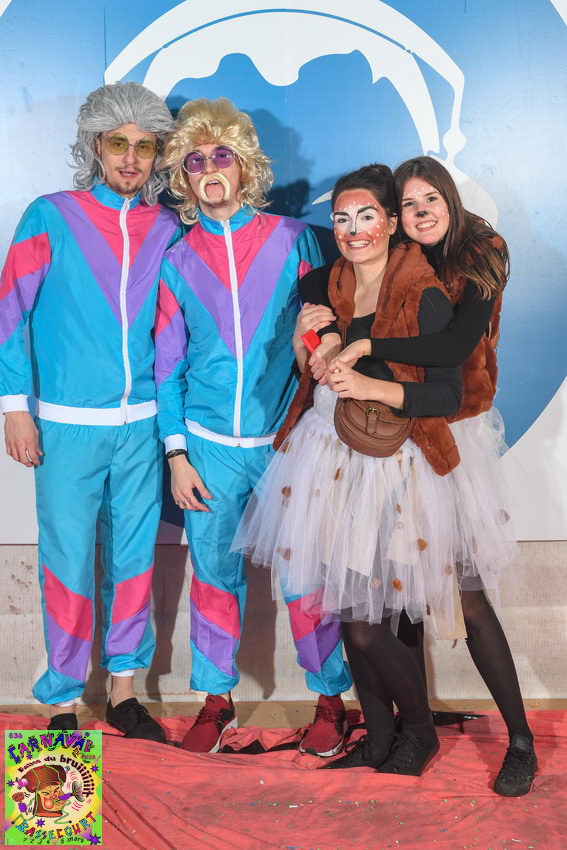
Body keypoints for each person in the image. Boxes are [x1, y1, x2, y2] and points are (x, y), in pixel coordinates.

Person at [234, 163, 467, 775]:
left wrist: (368, 381)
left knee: (369, 623)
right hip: (326, 455)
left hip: (391, 463)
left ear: (390, 223)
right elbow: (314, 372)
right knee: (344, 609)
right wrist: (305, 345)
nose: (353, 229)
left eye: (366, 216)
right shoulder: (320, 283)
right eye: (341, 218)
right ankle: (380, 736)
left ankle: (420, 731)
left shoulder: (423, 293)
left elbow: (446, 394)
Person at [319, 156, 537, 796]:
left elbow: (450, 351)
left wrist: (367, 348)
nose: (420, 214)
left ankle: (520, 740)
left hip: (448, 430)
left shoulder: (478, 254)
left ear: (449, 200)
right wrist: (321, 321)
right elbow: (317, 282)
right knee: (398, 598)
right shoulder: (392, 258)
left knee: (465, 597)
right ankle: (405, 735)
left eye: (430, 201)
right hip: (391, 437)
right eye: (409, 205)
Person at [155, 97, 352, 754]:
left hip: (285, 442)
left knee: (305, 580)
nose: (209, 170)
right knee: (213, 576)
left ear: (243, 166)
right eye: (194, 161)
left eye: (221, 156)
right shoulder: (177, 260)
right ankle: (216, 702)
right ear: (182, 177)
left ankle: (331, 699)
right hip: (208, 449)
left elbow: (323, 328)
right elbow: (166, 368)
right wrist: (177, 455)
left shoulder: (296, 241)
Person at [0, 82, 182, 740]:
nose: (131, 158)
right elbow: (10, 312)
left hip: (142, 427)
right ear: (94, 147)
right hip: (66, 426)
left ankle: (125, 691)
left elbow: (177, 328)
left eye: (144, 146)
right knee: (67, 562)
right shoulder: (49, 215)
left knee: (133, 560)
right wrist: (14, 407)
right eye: (118, 144)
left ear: (158, 154)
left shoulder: (168, 227)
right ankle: (63, 697)